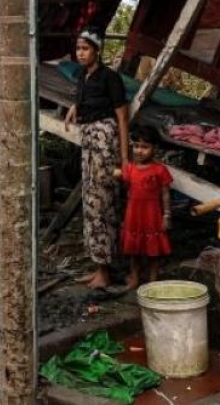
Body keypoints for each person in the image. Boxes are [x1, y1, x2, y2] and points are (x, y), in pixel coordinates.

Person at [65, 28, 128, 290]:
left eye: (86, 48)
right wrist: (74, 107)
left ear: (97, 50)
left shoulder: (110, 77)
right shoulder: (83, 76)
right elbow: (85, 100)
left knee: (102, 203)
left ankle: (105, 270)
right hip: (89, 140)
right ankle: (97, 267)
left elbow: (122, 118)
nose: (81, 53)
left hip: (105, 140)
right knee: (90, 202)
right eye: (78, 48)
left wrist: (124, 158)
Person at [118, 133, 173, 290]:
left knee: (153, 249)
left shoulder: (160, 170)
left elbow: (165, 193)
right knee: (133, 249)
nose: (139, 151)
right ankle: (134, 279)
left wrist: (167, 215)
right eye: (136, 146)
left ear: (154, 149)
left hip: (152, 213)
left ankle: (153, 279)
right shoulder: (129, 168)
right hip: (133, 213)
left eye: (145, 147)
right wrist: (119, 177)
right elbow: (126, 190)